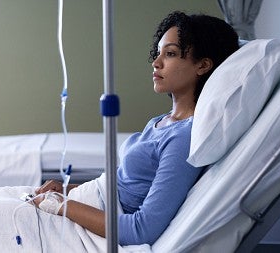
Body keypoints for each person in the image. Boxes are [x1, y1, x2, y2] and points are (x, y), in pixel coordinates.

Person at [33, 11, 239, 246]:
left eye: (170, 54)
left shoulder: (182, 138)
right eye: (159, 52)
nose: (156, 62)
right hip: (82, 206)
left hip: (87, 229)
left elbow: (141, 229)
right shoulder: (160, 122)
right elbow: (124, 187)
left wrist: (61, 205)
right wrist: (68, 190)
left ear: (202, 65)